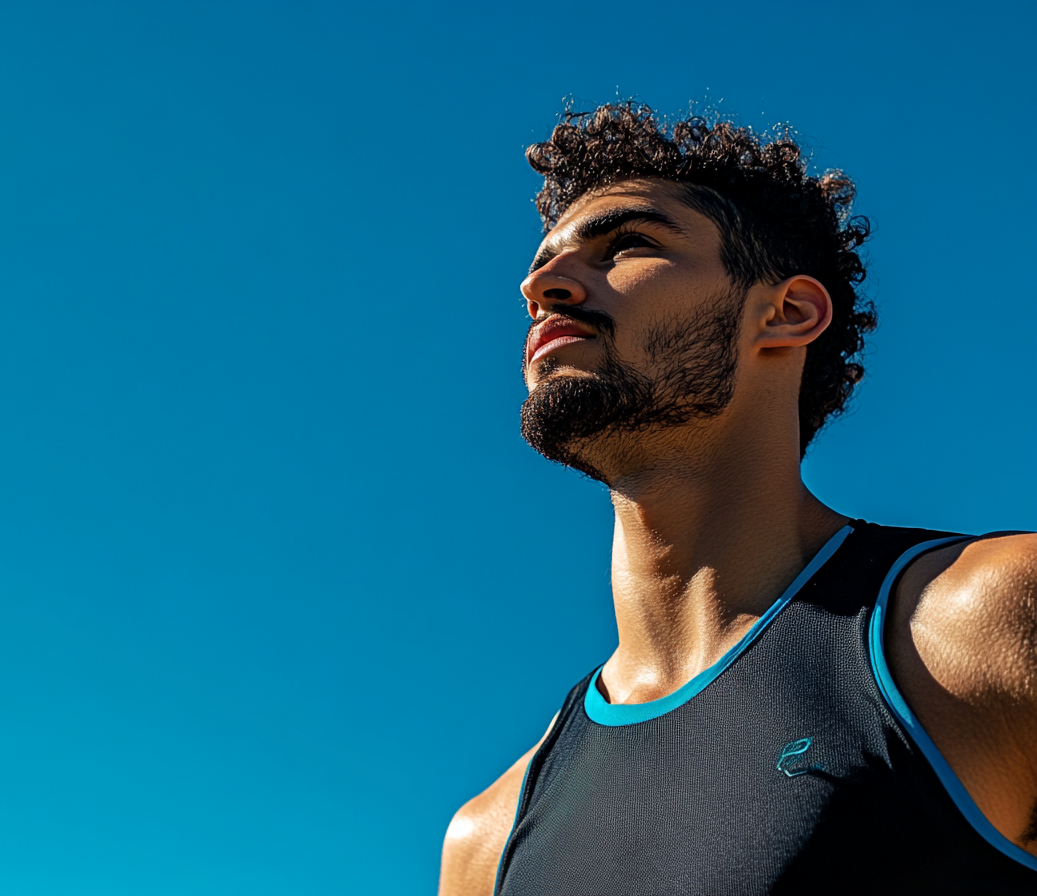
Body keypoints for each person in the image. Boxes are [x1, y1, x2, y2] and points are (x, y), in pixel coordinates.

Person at [437, 103, 1037, 895]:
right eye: (542, 269)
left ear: (787, 313)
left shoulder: (982, 621)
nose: (541, 284)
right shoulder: (485, 841)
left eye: (629, 244)